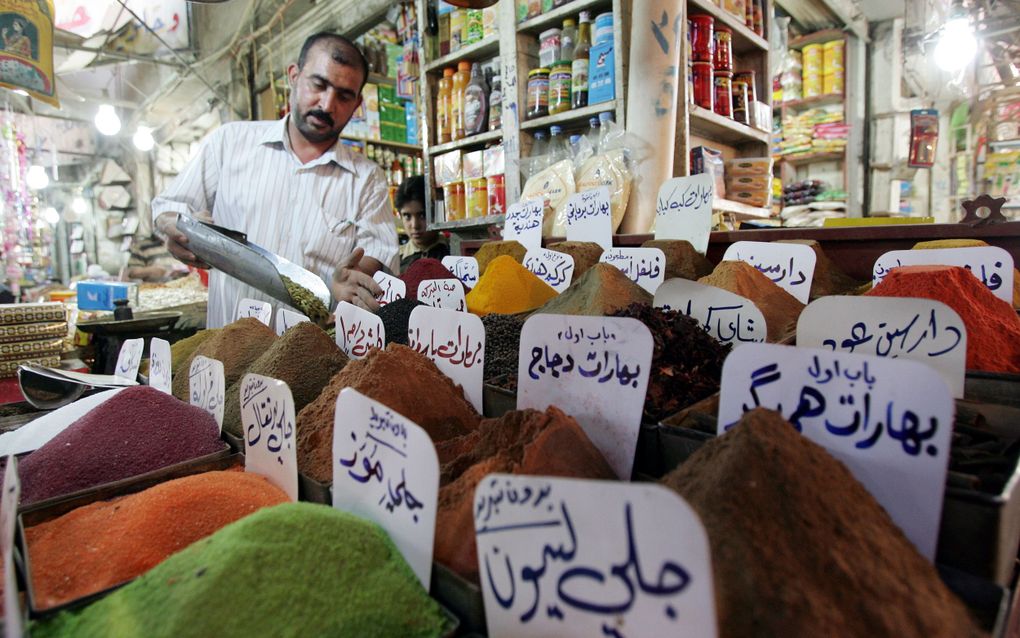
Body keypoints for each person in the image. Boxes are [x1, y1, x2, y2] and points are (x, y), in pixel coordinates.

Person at [151, 32, 396, 327]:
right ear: (293, 76)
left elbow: (377, 252)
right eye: (318, 85)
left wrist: (351, 281)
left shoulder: (367, 179)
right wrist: (174, 229)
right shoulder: (229, 143)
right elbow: (170, 205)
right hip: (228, 353)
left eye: (343, 96)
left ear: (357, 105)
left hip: (316, 358)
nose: (327, 104)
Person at [396, 175, 448, 273]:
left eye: (422, 215)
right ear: (400, 215)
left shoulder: (453, 252)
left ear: (436, 213)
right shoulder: (394, 261)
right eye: (407, 216)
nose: (415, 225)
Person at [122, 234, 188, 283]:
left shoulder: (184, 244)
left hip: (184, 288)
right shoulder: (142, 246)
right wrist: (151, 271)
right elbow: (130, 273)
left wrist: (185, 271)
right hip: (155, 290)